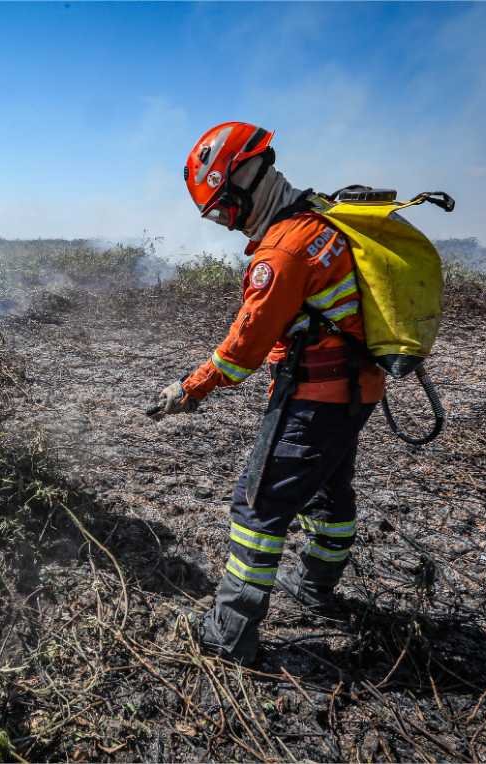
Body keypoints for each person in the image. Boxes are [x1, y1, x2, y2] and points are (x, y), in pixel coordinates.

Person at [153, 122, 385, 664]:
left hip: (314, 394)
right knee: (329, 492)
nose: (228, 224)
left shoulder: (281, 252)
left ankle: (228, 634)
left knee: (257, 509)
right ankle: (315, 587)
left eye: (224, 209)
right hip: (357, 391)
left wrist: (187, 391)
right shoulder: (322, 219)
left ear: (246, 180)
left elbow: (243, 349)